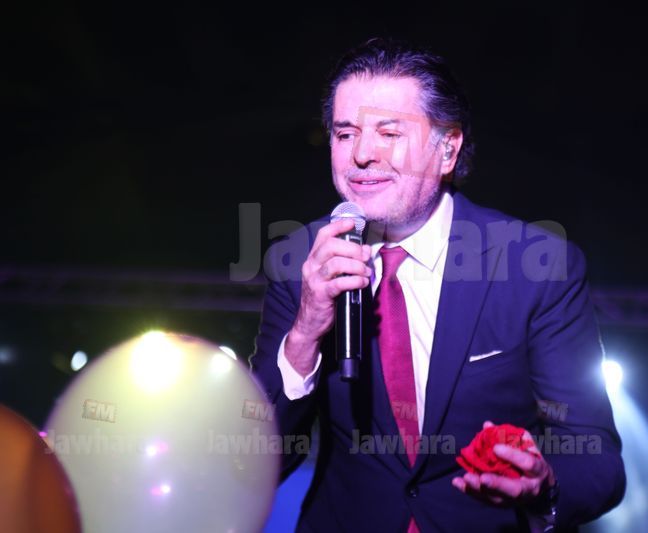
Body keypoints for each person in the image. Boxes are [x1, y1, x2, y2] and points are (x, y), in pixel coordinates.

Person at [249, 37, 625, 532]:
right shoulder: (299, 261)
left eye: (389, 132)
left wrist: (545, 485)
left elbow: (597, 458)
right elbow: (252, 464)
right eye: (345, 134)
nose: (361, 154)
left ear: (447, 149)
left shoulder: (535, 265)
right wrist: (305, 332)